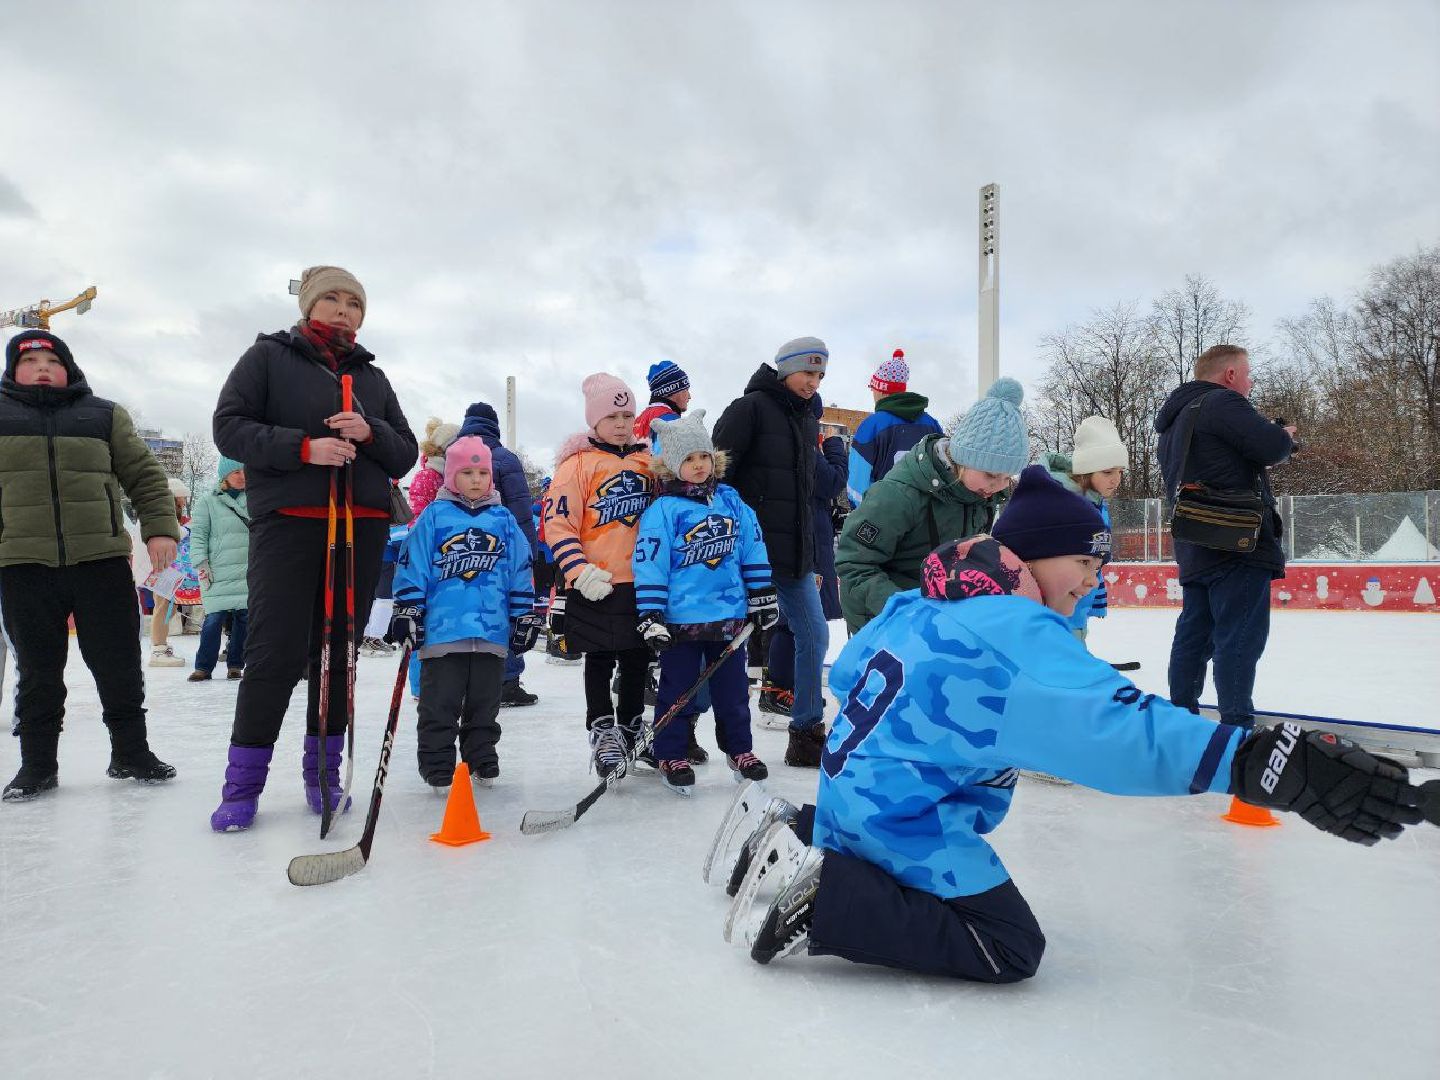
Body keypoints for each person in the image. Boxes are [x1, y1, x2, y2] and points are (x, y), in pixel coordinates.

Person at [724, 466, 1427, 975]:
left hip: (857, 794)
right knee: (1005, 946)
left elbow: (848, 672)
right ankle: (825, 896)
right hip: (905, 819)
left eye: (1101, 565)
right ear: (1031, 556)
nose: (1094, 579)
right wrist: (1253, 763)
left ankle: (799, 832)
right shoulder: (1014, 632)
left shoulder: (926, 605)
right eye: (1084, 561)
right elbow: (1113, 728)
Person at [209, 265, 417, 832]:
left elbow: (404, 453)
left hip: (361, 525)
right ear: (308, 305)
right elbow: (229, 427)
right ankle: (242, 787)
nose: (344, 310)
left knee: (337, 655)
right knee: (274, 652)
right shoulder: (268, 357)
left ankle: (322, 775)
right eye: (333, 299)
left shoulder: (372, 376)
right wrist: (305, 448)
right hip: (291, 523)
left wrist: (369, 432)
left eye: (355, 302)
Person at [0, 330, 181, 800]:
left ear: (70, 369)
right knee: (38, 670)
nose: (43, 368)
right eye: (30, 361)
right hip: (22, 563)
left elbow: (145, 475)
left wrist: (160, 528)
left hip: (100, 560)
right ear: (12, 370)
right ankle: (37, 765)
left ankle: (131, 753)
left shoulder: (102, 414)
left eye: (53, 361)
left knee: (118, 662)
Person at [633, 410, 777, 793]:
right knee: (677, 691)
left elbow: (752, 546)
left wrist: (761, 594)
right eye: (689, 459)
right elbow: (651, 563)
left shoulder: (731, 501)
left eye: (704, 457)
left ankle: (739, 749)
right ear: (672, 464)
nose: (699, 465)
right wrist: (651, 613)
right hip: (681, 619)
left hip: (729, 616)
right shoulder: (664, 510)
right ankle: (670, 752)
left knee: (734, 693)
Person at [1155, 344, 1295, 731]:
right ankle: (1236, 730)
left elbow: (1214, 464)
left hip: (1196, 542)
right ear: (1230, 375)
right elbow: (1271, 446)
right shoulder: (1222, 402)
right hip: (1237, 542)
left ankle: (1181, 723)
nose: (1249, 385)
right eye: (1248, 376)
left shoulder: (1174, 421)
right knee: (1240, 637)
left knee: (1195, 634)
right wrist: (1283, 436)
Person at [389, 436, 539, 789]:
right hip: (444, 631)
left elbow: (520, 569)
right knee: (439, 704)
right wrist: (409, 608)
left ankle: (481, 756)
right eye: (467, 473)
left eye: (483, 473)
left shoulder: (503, 519)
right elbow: (413, 565)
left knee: (485, 704)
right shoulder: (435, 516)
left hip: (491, 630)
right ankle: (437, 764)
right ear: (451, 475)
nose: (476, 479)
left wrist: (523, 614)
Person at [713, 337, 830, 767]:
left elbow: (805, 495)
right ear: (785, 369)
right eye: (808, 372)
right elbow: (715, 479)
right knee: (722, 640)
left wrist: (810, 554)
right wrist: (725, 540)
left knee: (815, 635)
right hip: (745, 553)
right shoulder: (748, 409)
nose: (814, 382)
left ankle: (806, 733)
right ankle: (681, 729)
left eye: (820, 375)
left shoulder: (807, 420)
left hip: (793, 555)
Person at [836, 377, 1027, 634]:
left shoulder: (980, 496)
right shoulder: (898, 496)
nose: (999, 485)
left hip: (938, 627)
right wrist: (907, 611)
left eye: (1007, 477)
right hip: (885, 625)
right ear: (961, 459)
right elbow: (855, 564)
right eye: (991, 475)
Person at [544, 373, 655, 777]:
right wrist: (578, 571)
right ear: (594, 420)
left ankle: (631, 727)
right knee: (600, 657)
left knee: (638, 658)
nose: (622, 424)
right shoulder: (577, 465)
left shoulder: (648, 463)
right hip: (596, 583)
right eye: (613, 417)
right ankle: (603, 729)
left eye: (628, 416)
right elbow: (558, 524)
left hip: (642, 582)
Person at [760, 393, 848, 717]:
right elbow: (831, 482)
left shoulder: (781, 442)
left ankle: (786, 687)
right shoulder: (805, 446)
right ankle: (781, 688)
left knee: (796, 621)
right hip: (806, 540)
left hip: (797, 536)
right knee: (799, 621)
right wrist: (835, 447)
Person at [456, 400, 541, 707]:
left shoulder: (455, 455)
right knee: (505, 610)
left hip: (459, 550)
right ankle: (506, 681)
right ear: (494, 427)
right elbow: (520, 508)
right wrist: (529, 552)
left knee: (464, 608)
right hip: (500, 548)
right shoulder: (504, 458)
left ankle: (461, 681)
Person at [1041, 415, 1127, 640]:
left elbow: (1096, 559)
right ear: (1086, 471)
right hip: (1059, 612)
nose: (1116, 479)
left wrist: (1096, 597)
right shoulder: (1066, 504)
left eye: (1120, 471)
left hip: (1079, 607)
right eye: (1107, 472)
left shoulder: (1097, 502)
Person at [846, 348, 942, 506]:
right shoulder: (932, 424)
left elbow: (857, 484)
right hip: (924, 515)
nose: (872, 393)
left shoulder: (871, 426)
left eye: (873, 388)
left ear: (882, 391)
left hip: (882, 514)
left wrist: (859, 512)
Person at [188, 456, 251, 681]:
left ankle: (236, 665)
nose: (242, 476)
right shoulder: (207, 501)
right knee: (213, 619)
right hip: (217, 570)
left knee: (244, 619)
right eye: (236, 472)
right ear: (225, 475)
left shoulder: (255, 498)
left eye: (245, 471)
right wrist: (201, 561)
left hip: (246, 568)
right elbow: (199, 534)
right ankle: (203, 667)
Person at [148, 477, 198, 667]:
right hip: (163, 568)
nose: (184, 502)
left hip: (172, 569)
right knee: (162, 607)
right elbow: (174, 534)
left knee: (169, 608)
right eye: (182, 498)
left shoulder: (175, 517)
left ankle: (161, 645)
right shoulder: (162, 516)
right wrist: (188, 528)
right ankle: (158, 649)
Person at [634, 360, 692, 452]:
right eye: (686, 390)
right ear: (672, 390)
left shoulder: (638, 419)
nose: (689, 396)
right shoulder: (671, 421)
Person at [408, 417, 459, 519]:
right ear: (443, 449)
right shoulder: (426, 477)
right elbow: (417, 515)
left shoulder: (464, 473)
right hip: (434, 528)